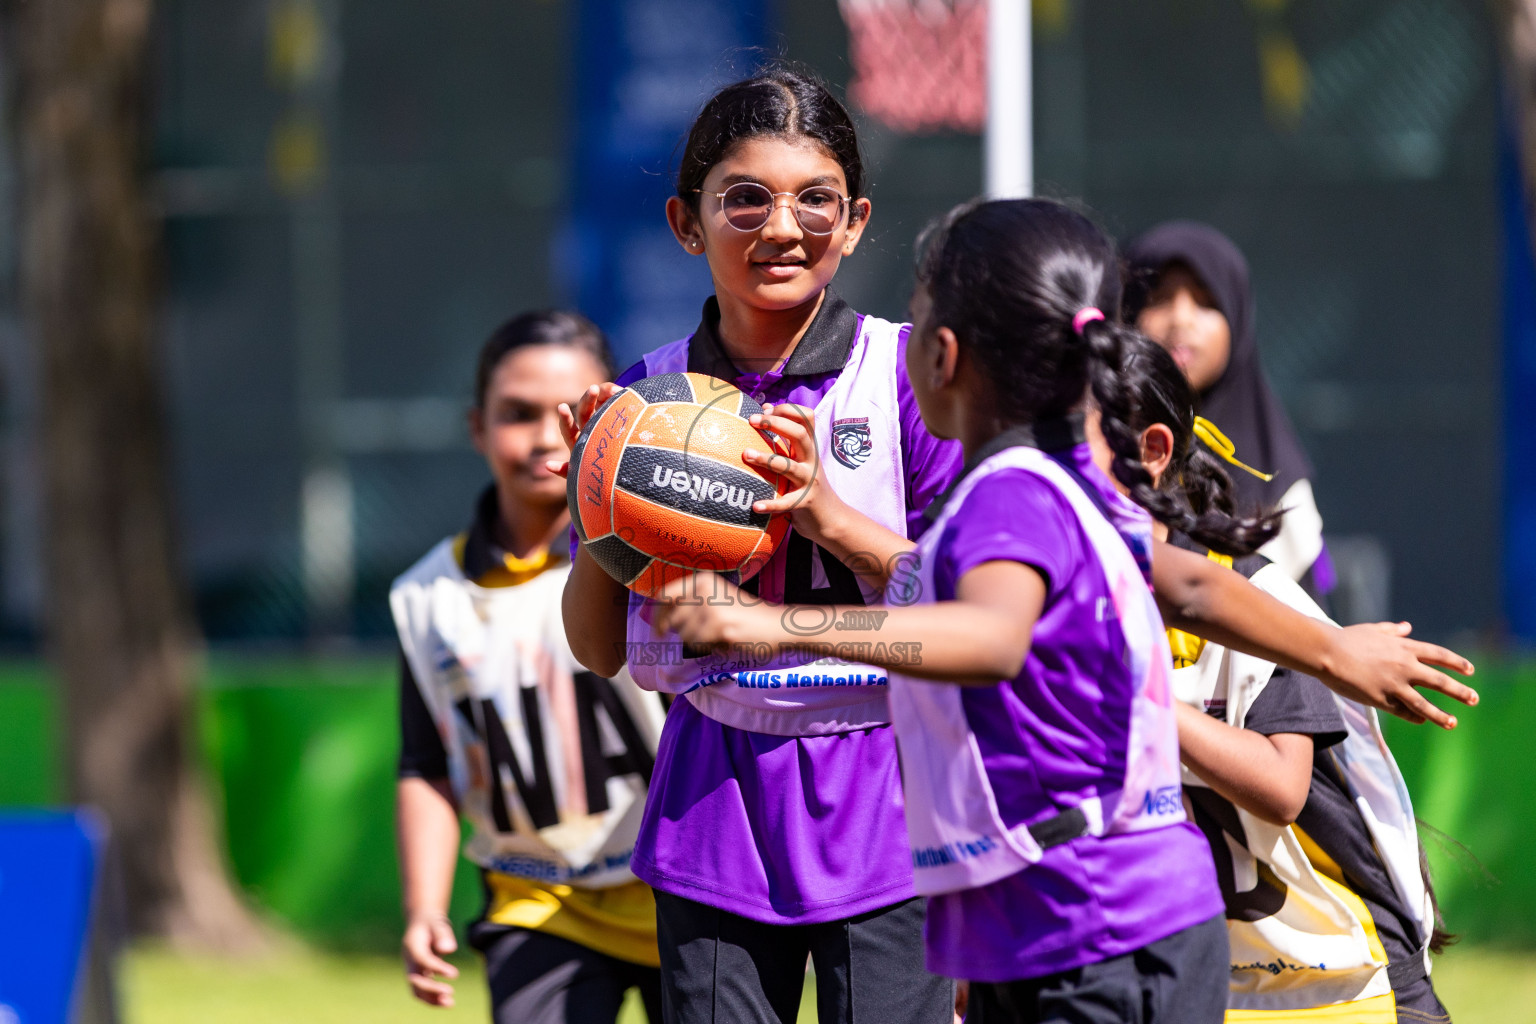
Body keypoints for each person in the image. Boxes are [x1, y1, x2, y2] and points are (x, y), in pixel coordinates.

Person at [556, 68, 1475, 1024]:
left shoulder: (942, 427)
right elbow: (1160, 577)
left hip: (930, 821)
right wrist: (602, 509)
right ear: (686, 221)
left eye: (814, 199)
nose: (781, 226)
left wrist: (791, 599)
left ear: (941, 352)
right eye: (745, 197)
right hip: (739, 813)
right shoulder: (648, 401)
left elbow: (998, 626)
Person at [1118, 338, 1453, 1023]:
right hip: (1208, 988)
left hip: (1351, 977)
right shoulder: (1049, 596)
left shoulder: (1252, 599)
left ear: (1153, 452)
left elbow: (1280, 787)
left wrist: (1138, 707)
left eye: (1069, 442)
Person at [391, 311, 667, 1024]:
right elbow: (426, 764)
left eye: (569, 414)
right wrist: (424, 907)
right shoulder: (425, 597)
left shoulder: (662, 555)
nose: (547, 438)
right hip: (538, 902)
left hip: (684, 886)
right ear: (476, 427)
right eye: (517, 414)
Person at [1125, 221, 1334, 602]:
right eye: (1159, 298)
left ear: (1237, 320)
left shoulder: (1280, 483)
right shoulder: (1101, 449)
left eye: (1205, 302)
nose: (1180, 320)